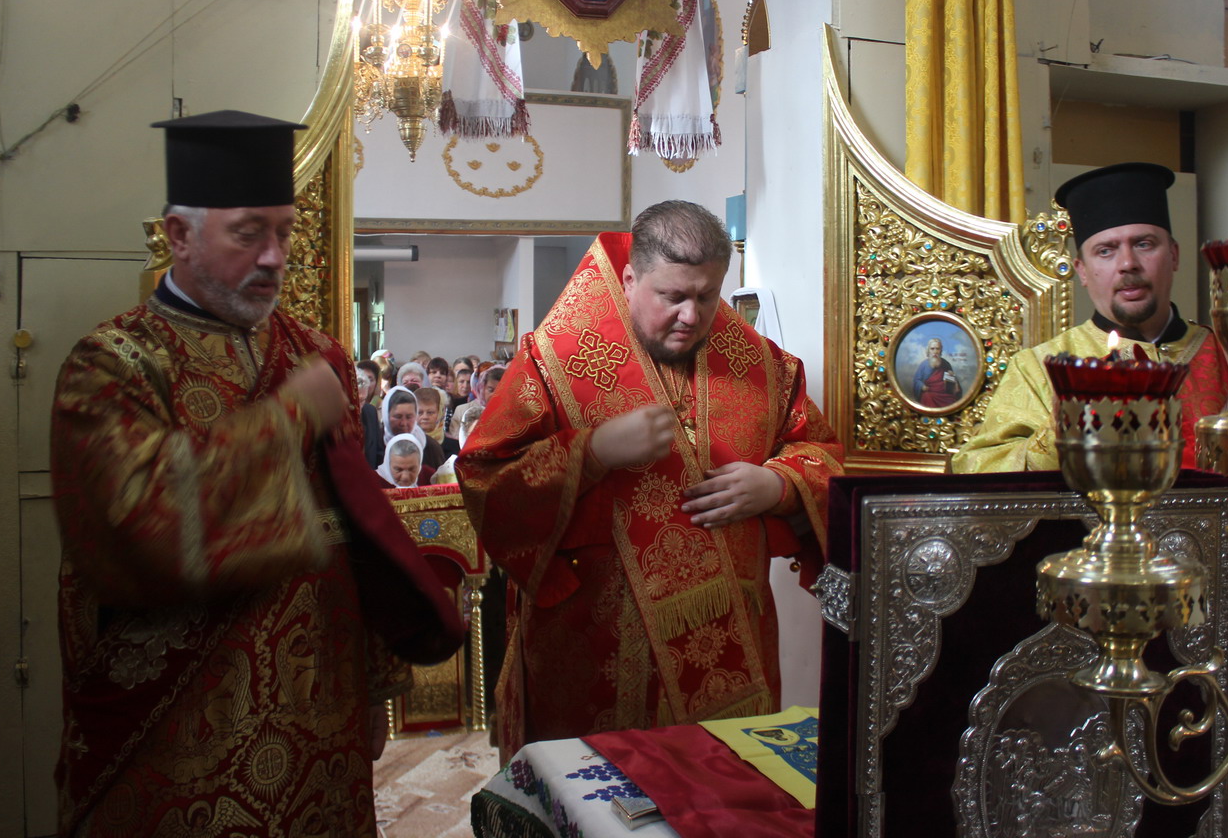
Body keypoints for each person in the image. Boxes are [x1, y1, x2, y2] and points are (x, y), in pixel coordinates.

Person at [48, 110, 460, 838]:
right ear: (179, 236)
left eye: (285, 232)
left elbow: (357, 528)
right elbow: (129, 527)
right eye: (248, 233)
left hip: (322, 707)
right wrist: (287, 418)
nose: (275, 256)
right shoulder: (113, 363)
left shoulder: (317, 354)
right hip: (179, 724)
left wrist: (375, 687)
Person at [457, 200, 843, 753]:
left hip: (731, 642)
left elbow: (821, 452)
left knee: (723, 788)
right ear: (630, 280)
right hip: (597, 650)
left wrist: (778, 486)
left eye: (707, 296)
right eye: (673, 296)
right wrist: (589, 452)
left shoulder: (762, 365)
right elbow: (485, 478)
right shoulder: (553, 361)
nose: (691, 315)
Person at [952, 162, 1228, 473]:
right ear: (1082, 271)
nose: (1127, 263)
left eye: (1144, 244)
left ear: (1174, 255)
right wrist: (1061, 431)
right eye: (1105, 251)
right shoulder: (1037, 368)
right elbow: (976, 468)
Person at [911, 338, 962, 408]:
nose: (935, 352)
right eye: (932, 349)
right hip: (929, 393)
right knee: (927, 397)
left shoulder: (946, 364)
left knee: (952, 401)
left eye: (937, 349)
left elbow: (951, 385)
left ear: (940, 350)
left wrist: (951, 377)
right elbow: (917, 380)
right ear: (928, 350)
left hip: (944, 395)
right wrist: (922, 386)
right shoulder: (924, 365)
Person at [357, 359, 386, 467]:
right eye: (356, 400)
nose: (359, 406)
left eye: (362, 400)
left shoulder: (370, 411)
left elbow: (378, 451)